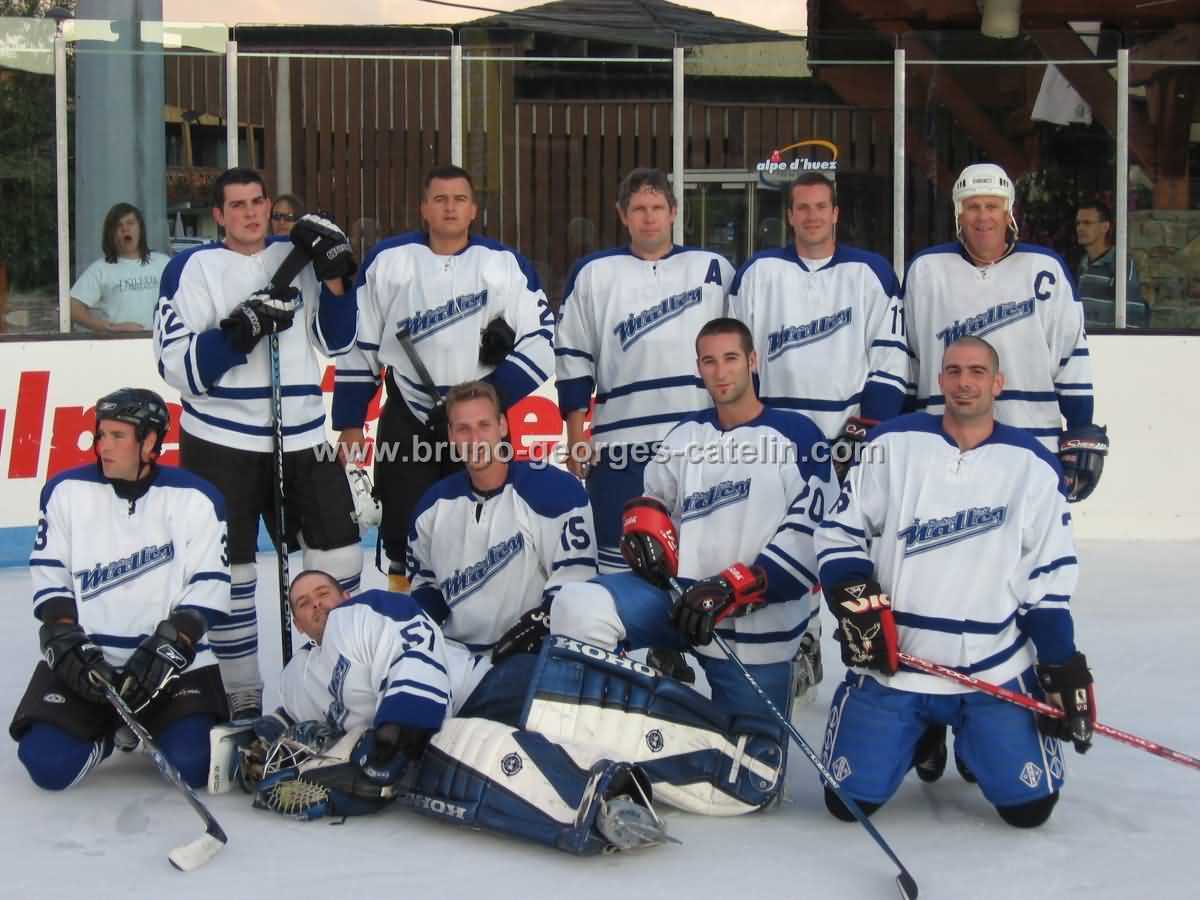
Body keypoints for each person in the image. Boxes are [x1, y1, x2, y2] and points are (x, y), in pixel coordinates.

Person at [548, 317, 837, 798]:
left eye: (730, 359)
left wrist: (732, 586)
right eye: (709, 361)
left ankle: (670, 735)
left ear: (752, 361)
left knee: (753, 783)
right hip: (680, 604)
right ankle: (602, 740)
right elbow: (652, 504)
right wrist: (643, 535)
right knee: (579, 606)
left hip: (755, 627)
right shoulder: (684, 437)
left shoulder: (798, 436)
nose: (720, 372)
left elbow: (811, 535)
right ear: (698, 368)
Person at [814, 336, 1095, 829]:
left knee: (1029, 811)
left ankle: (973, 740)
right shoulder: (891, 445)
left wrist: (1060, 664)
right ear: (940, 380)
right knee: (847, 803)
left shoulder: (1032, 465)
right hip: (898, 665)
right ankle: (919, 734)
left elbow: (1048, 578)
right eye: (954, 371)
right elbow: (840, 530)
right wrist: (853, 593)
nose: (965, 383)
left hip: (990, 668)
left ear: (998, 383)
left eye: (977, 372)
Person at [901, 162, 1108, 778]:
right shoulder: (927, 270)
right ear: (958, 214)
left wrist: (1081, 427)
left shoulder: (1045, 270)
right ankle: (930, 716)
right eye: (972, 207)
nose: (983, 217)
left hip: (1030, 450)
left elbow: (1071, 353)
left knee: (1021, 583)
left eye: (993, 206)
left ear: (1009, 211)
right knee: (936, 575)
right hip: (945, 446)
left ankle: (994, 720)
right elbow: (906, 355)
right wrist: (889, 431)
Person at [234, 569, 667, 853]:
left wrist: (401, 726)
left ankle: (688, 740)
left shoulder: (361, 614)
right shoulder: (298, 675)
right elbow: (288, 718)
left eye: (322, 593)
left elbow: (410, 648)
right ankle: (607, 803)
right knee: (495, 769)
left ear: (344, 595)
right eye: (302, 603)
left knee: (609, 715)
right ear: (296, 622)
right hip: (435, 748)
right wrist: (257, 743)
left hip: (480, 688)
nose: (315, 604)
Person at [153, 167, 363, 720]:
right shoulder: (190, 268)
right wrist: (238, 333)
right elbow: (177, 367)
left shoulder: (297, 258)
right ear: (217, 215)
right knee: (232, 575)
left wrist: (337, 278)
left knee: (341, 555)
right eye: (237, 205)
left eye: (257, 202)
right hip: (220, 442)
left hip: (304, 432)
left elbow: (338, 341)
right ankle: (242, 691)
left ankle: (339, 671)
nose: (250, 213)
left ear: (270, 206)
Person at [729, 171, 909, 700]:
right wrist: (751, 424)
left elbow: (890, 357)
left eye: (820, 206)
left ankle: (868, 642)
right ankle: (804, 640)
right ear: (790, 216)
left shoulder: (871, 273)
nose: (811, 216)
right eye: (802, 207)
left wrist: (869, 429)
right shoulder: (759, 273)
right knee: (785, 539)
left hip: (848, 435)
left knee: (856, 544)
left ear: (836, 214)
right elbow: (739, 354)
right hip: (779, 436)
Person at [333, 164, 554, 592]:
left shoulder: (505, 265)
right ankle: (408, 614)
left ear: (473, 210)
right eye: (440, 199)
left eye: (459, 199)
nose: (450, 208)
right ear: (423, 208)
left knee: (491, 523)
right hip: (410, 415)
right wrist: (350, 421)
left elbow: (543, 340)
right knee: (403, 530)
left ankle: (486, 613)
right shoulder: (389, 262)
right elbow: (360, 346)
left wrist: (491, 394)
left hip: (480, 422)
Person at [9, 388, 230, 790]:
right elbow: (50, 572)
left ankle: (146, 723)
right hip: (90, 663)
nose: (103, 446)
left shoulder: (197, 498)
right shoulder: (65, 492)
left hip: (170, 669)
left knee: (195, 764)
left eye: (117, 436)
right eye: (100, 435)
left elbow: (209, 585)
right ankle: (110, 732)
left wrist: (170, 646)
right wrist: (65, 636)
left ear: (150, 442)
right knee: (46, 764)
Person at [556, 168, 735, 575]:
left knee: (700, 559)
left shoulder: (713, 269)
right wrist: (576, 436)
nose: (649, 217)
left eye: (657, 207)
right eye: (639, 208)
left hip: (699, 439)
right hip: (620, 444)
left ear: (674, 212)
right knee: (621, 561)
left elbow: (738, 355)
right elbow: (573, 358)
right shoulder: (593, 273)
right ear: (623, 215)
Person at [405, 380, 596, 653]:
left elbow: (575, 589)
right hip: (455, 655)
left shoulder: (553, 490)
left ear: (503, 426)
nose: (475, 440)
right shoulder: (431, 507)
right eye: (463, 429)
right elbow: (426, 589)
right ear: (451, 435)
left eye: (484, 425)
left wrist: (537, 632)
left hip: (529, 654)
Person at [70, 202, 170, 332]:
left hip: (161, 341)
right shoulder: (100, 269)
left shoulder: (164, 263)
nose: (125, 229)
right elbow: (72, 308)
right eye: (118, 225)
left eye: (130, 223)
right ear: (111, 234)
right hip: (120, 342)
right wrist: (111, 328)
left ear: (140, 229)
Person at [1075, 197, 1148, 328]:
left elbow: (1132, 320)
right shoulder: (1083, 264)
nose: (1080, 228)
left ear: (1105, 227)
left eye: (1087, 223)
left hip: (1109, 341)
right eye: (1078, 223)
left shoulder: (1121, 264)